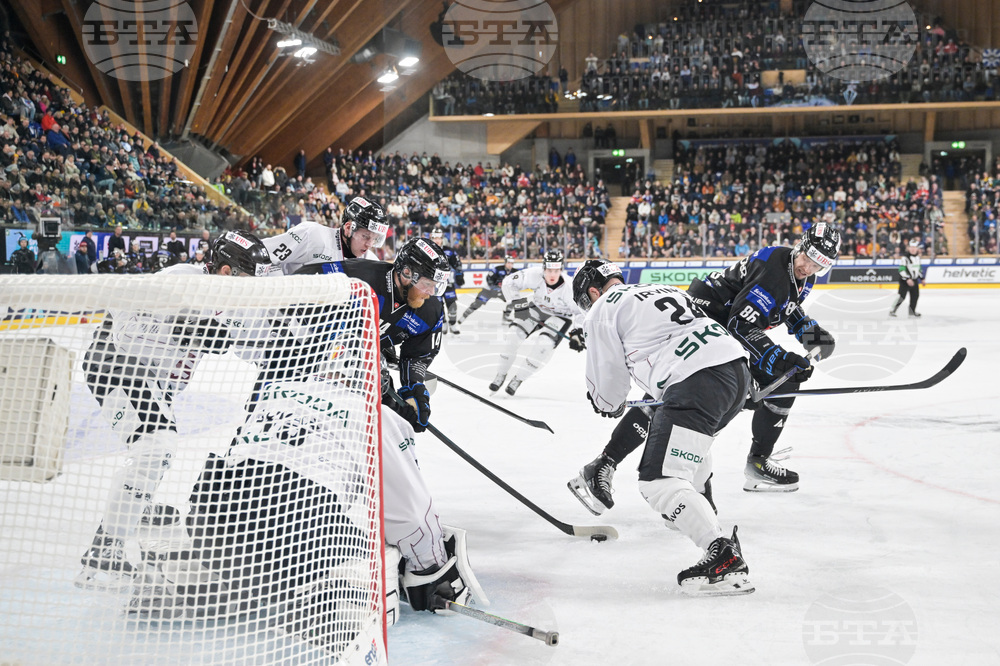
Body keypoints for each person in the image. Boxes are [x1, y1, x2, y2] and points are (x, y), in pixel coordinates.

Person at [568, 225, 840, 510]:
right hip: (709, 316)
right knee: (680, 396)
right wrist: (777, 357)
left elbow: (784, 306)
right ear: (801, 245)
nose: (810, 267)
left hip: (723, 320)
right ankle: (609, 463)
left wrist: (810, 334)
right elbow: (740, 324)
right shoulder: (775, 270)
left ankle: (757, 463)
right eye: (809, 257)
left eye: (820, 264)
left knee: (783, 381)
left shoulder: (799, 273)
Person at [75, 231, 273, 589]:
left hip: (155, 380)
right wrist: (182, 330)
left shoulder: (228, 300)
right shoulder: (179, 282)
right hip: (115, 363)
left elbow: (249, 345)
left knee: (158, 452)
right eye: (247, 278)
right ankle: (104, 552)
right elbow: (123, 329)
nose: (252, 287)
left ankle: (135, 506)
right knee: (156, 447)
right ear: (226, 272)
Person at [572, 259, 754, 596]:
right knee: (690, 449)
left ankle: (722, 555)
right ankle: (696, 512)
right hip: (736, 370)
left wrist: (604, 404)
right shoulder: (660, 289)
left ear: (593, 292)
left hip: (695, 379)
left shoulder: (602, 307)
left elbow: (609, 393)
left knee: (658, 482)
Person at [297, 237, 450, 436]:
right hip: (315, 355)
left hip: (370, 365)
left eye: (436, 285)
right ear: (406, 273)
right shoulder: (358, 275)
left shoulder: (430, 311)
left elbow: (418, 355)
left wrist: (415, 386)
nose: (431, 293)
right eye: (427, 284)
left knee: (394, 421)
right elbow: (296, 283)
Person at [489, 249, 586, 396]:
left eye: (556, 270)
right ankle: (500, 374)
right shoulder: (534, 275)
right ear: (543, 268)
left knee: (543, 345)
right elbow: (509, 282)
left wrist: (577, 332)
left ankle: (518, 379)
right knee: (512, 337)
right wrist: (519, 305)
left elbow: (581, 311)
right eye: (549, 270)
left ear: (561, 269)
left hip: (560, 316)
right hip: (537, 308)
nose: (552, 275)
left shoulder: (569, 287)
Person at [263, 195, 387, 274]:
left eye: (375, 239)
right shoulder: (312, 235)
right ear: (348, 228)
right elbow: (264, 255)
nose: (370, 244)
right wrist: (281, 288)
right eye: (365, 236)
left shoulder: (371, 263)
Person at [456, 255, 515, 326]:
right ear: (505, 263)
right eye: (509, 263)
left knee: (513, 300)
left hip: (501, 291)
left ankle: (505, 318)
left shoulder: (514, 272)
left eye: (512, 263)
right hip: (488, 290)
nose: (510, 265)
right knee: (477, 303)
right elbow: (489, 278)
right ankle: (463, 316)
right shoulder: (497, 269)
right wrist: (493, 287)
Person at [429, 228, 464, 333]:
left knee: (452, 304)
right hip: (433, 284)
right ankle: (443, 322)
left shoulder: (449, 251)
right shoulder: (427, 251)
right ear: (431, 238)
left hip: (448, 283)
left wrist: (459, 275)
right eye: (435, 238)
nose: (437, 240)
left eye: (439, 238)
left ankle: (453, 323)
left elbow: (457, 264)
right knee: (437, 306)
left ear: (442, 239)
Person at [890, 238, 923, 317]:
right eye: (911, 247)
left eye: (914, 247)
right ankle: (893, 310)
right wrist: (907, 279)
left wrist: (922, 278)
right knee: (901, 297)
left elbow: (919, 269)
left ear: (917, 248)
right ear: (908, 248)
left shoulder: (918, 258)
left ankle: (912, 311)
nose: (913, 249)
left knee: (915, 296)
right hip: (905, 281)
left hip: (914, 280)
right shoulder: (905, 258)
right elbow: (901, 270)